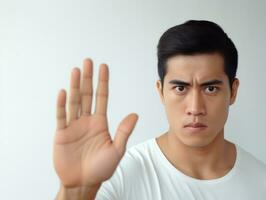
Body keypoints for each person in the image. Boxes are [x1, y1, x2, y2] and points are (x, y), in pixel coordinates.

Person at [53, 20, 266, 200]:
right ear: (161, 92)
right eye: (180, 88)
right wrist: (74, 193)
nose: (195, 108)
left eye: (210, 88)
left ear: (233, 91)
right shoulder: (118, 174)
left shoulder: (260, 181)